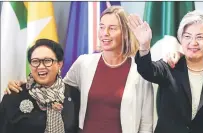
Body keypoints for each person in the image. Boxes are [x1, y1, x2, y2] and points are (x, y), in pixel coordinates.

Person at [5, 6, 153, 133]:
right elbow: (58, 87)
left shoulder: (140, 70)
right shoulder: (84, 63)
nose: (105, 33)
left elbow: (146, 123)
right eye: (101, 27)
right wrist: (25, 83)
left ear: (125, 33)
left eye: (112, 28)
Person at [127, 10, 203, 133]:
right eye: (187, 36)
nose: (193, 42)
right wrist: (144, 46)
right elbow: (147, 70)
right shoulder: (170, 66)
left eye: (200, 37)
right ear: (181, 39)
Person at [0, 39, 80, 133]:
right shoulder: (14, 94)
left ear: (59, 64)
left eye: (47, 61)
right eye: (35, 61)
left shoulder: (74, 94)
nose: (41, 66)